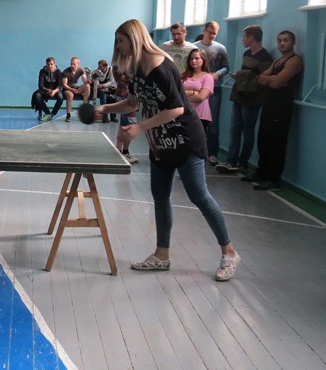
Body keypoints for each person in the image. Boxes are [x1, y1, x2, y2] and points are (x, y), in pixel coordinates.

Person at [95, 19, 241, 281]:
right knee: (160, 197)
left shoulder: (161, 67)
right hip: (160, 141)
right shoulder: (136, 69)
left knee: (199, 195)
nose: (118, 46)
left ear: (134, 38)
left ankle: (229, 252)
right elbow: (133, 103)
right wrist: (105, 108)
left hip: (185, 139)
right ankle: (162, 255)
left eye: (121, 40)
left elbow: (177, 108)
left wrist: (139, 128)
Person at [244, 30, 304, 190]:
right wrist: (272, 79)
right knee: (263, 139)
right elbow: (259, 78)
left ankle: (273, 179)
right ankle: (262, 173)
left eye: (286, 40)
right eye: (279, 40)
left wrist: (272, 80)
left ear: (293, 42)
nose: (282, 43)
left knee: (276, 142)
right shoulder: (278, 61)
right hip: (269, 104)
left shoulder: (295, 61)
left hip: (282, 106)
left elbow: (276, 83)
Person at [217, 25, 272, 175]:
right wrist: (241, 77)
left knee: (248, 130)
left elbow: (261, 79)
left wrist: (241, 76)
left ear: (251, 38)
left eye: (244, 37)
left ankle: (242, 162)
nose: (242, 40)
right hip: (240, 94)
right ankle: (231, 161)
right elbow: (247, 74)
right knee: (235, 129)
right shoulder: (247, 53)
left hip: (253, 97)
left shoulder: (265, 57)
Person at [197, 21, 230, 164]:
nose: (211, 35)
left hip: (214, 89)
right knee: (197, 120)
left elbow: (226, 67)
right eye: (209, 32)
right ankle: (198, 150)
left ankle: (212, 153)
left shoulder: (220, 48)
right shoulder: (194, 47)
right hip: (197, 88)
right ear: (204, 30)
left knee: (213, 122)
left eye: (214, 34)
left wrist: (217, 74)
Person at [181, 48, 215, 132]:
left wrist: (182, 97)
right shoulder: (182, 76)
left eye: (197, 58)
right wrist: (192, 92)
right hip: (183, 114)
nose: (193, 61)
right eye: (191, 59)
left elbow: (200, 97)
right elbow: (175, 93)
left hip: (199, 116)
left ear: (203, 60)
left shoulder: (208, 77)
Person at [112, 64, 139, 164]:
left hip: (125, 96)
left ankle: (120, 153)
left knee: (124, 125)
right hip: (126, 97)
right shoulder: (121, 66)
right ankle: (123, 153)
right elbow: (127, 79)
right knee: (130, 126)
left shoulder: (120, 65)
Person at [62, 56, 91, 122]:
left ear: (78, 64)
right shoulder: (66, 71)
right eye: (71, 64)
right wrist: (72, 90)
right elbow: (64, 85)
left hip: (76, 88)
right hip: (67, 89)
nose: (72, 66)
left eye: (74, 64)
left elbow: (85, 81)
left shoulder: (81, 70)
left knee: (87, 86)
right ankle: (68, 115)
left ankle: (84, 110)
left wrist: (89, 81)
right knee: (70, 95)